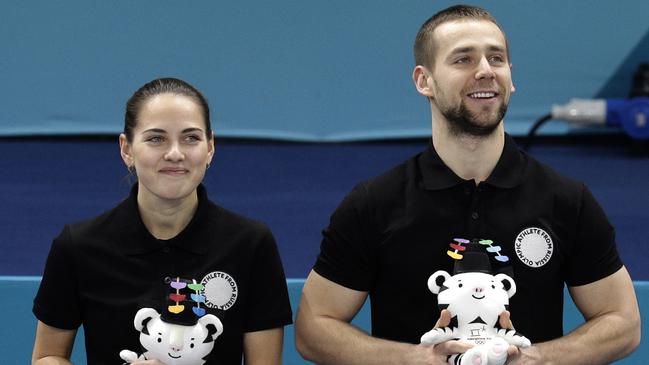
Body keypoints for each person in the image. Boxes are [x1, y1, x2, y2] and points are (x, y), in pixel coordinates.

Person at [295, 5, 640, 365]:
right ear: (423, 81)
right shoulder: (374, 204)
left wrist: (536, 360)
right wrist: (415, 360)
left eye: (497, 58)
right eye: (463, 60)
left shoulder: (567, 200)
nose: (486, 71)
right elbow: (314, 327)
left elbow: (622, 322)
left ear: (511, 75)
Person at [32, 77, 293, 365]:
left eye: (191, 137)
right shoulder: (77, 246)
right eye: (156, 138)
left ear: (210, 148)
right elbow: (47, 356)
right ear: (127, 149)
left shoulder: (251, 244)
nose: (175, 153)